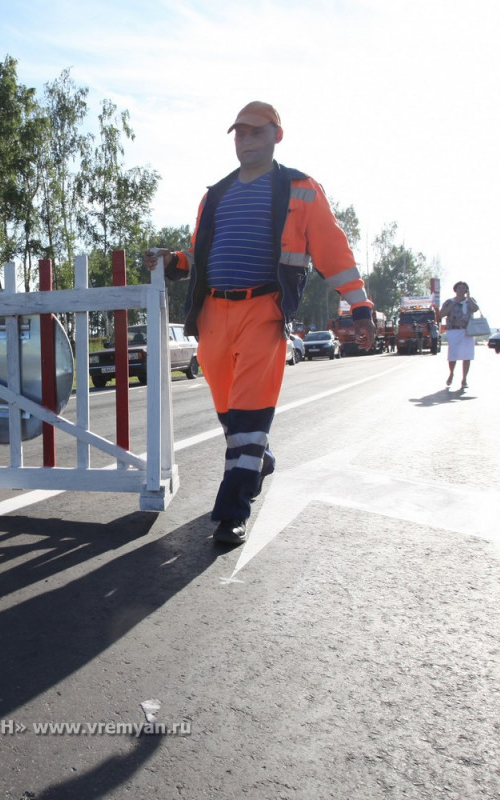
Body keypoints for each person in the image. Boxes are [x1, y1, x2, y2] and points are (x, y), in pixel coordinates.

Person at [143, 101, 374, 547]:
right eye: (239, 134)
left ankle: (232, 511)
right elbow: (200, 255)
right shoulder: (215, 194)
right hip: (212, 315)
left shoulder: (300, 189)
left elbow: (332, 251)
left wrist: (359, 305)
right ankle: (258, 458)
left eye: (254, 132)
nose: (245, 140)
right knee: (231, 414)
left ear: (276, 136)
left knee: (249, 416)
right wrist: (173, 260)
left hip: (263, 312)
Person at [438, 281, 479, 390]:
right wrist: (453, 304)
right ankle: (451, 373)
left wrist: (469, 298)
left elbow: (475, 309)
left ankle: (464, 379)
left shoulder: (470, 301)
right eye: (459, 288)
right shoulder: (449, 301)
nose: (462, 290)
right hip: (454, 331)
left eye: (464, 288)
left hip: (468, 331)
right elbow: (441, 314)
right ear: (455, 290)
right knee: (453, 354)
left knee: (467, 355)